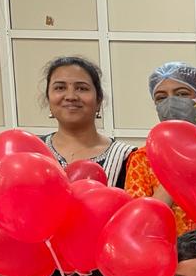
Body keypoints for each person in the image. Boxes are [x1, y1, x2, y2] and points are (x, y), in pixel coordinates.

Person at [125, 62, 196, 236]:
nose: (171, 102)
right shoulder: (144, 158)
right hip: (165, 257)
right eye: (161, 97)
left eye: (182, 94)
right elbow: (139, 224)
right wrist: (178, 168)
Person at [40, 56, 135, 188]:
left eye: (82, 88)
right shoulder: (33, 152)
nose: (71, 97)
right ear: (48, 99)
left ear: (99, 100)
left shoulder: (128, 158)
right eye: (60, 88)